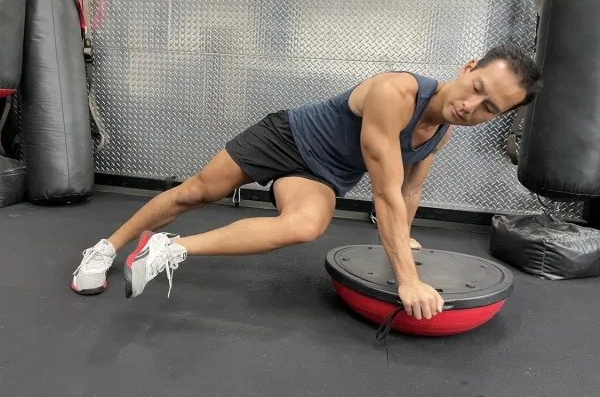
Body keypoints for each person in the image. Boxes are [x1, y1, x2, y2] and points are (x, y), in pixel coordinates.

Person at [71, 43, 542, 321]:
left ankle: (168, 250)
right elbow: (383, 192)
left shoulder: (441, 132)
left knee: (306, 226)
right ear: (467, 69)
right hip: (287, 138)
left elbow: (408, 192)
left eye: (489, 110)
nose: (471, 107)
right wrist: (408, 280)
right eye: (477, 89)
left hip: (320, 175)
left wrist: (403, 238)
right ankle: (107, 247)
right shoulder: (395, 93)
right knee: (196, 191)